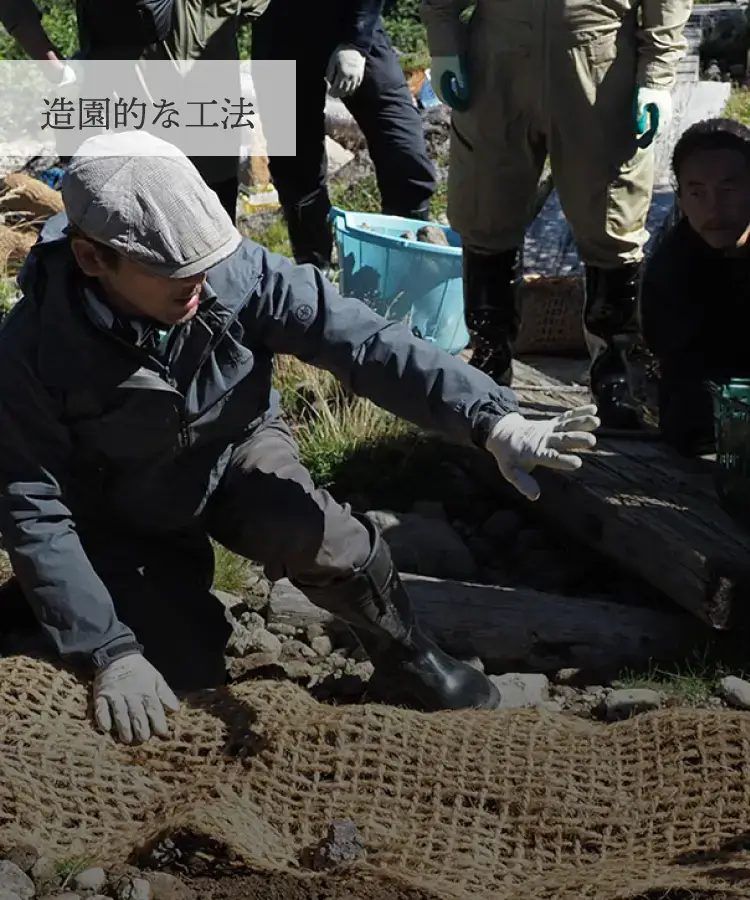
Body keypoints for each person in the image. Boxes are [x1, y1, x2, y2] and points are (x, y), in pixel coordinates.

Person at [0, 130, 600, 744]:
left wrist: (490, 419)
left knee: (327, 540)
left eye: (207, 263)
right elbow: (36, 510)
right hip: (123, 510)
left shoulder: (233, 272)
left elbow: (363, 342)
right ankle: (67, 608)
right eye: (175, 272)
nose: (201, 283)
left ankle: (408, 655)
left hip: (236, 449)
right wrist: (109, 651)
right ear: (93, 259)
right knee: (176, 687)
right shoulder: (30, 352)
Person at [419, 0, 692, 430]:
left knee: (612, 220)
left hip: (601, 63)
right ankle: (490, 359)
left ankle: (615, 374)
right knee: (485, 212)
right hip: (497, 61)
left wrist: (657, 75)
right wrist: (445, 46)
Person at [0, 0, 267, 220]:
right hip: (133, 95)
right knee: (142, 237)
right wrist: (55, 69)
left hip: (203, 95)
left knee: (212, 227)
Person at [250, 0, 437, 271]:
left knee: (404, 148)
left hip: (350, 22)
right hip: (277, 30)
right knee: (295, 167)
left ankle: (408, 263)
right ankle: (315, 272)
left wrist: (356, 42)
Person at [640, 117, 750, 456]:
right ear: (681, 199)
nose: (713, 208)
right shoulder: (670, 267)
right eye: (697, 192)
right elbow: (681, 366)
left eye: (729, 190)